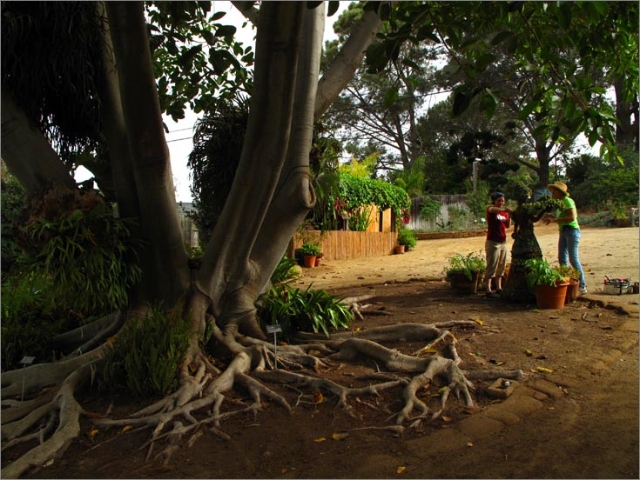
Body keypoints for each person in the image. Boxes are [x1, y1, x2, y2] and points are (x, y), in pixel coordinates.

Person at [542, 181, 587, 294]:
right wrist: (551, 216)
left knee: (573, 259)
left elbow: (571, 217)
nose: (552, 193)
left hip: (571, 231)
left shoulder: (567, 201)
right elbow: (562, 216)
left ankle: (582, 285)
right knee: (562, 258)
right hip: (563, 231)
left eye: (554, 191)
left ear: (559, 192)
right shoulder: (560, 203)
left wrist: (554, 220)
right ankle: (566, 282)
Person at [485, 192, 511, 297]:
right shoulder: (491, 209)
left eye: (503, 201)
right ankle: (488, 289)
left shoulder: (504, 213)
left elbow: (508, 226)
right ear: (494, 201)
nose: (501, 203)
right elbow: (492, 209)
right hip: (493, 242)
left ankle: (499, 287)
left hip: (503, 241)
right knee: (492, 265)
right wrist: (505, 210)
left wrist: (510, 215)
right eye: (499, 200)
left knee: (501, 265)